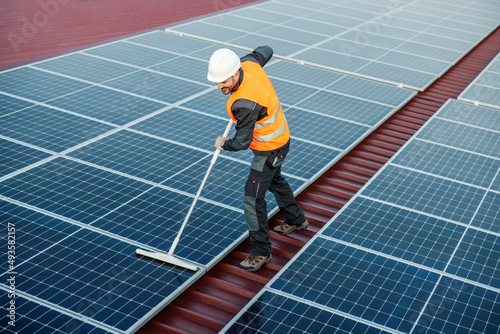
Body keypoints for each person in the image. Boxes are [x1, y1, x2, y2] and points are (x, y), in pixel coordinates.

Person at [207, 46, 309, 272]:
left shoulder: (244, 103)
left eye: (223, 81)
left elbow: (242, 142)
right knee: (275, 180)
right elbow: (266, 50)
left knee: (252, 200)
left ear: (235, 73)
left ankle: (260, 252)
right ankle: (296, 219)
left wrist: (223, 143)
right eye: (216, 81)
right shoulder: (249, 64)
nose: (220, 86)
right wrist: (252, 59)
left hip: (268, 150)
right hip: (282, 140)